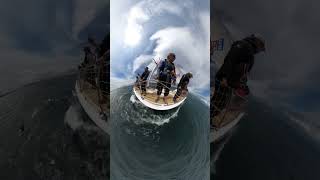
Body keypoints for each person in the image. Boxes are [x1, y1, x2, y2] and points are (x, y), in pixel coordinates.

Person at [211, 34, 265, 117]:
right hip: (225, 80)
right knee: (217, 102)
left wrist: (242, 84)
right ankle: (208, 121)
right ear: (257, 43)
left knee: (221, 104)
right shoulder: (243, 45)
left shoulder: (250, 52)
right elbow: (230, 59)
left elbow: (243, 71)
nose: (260, 51)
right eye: (261, 48)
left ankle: (210, 120)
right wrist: (224, 77)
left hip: (231, 83)